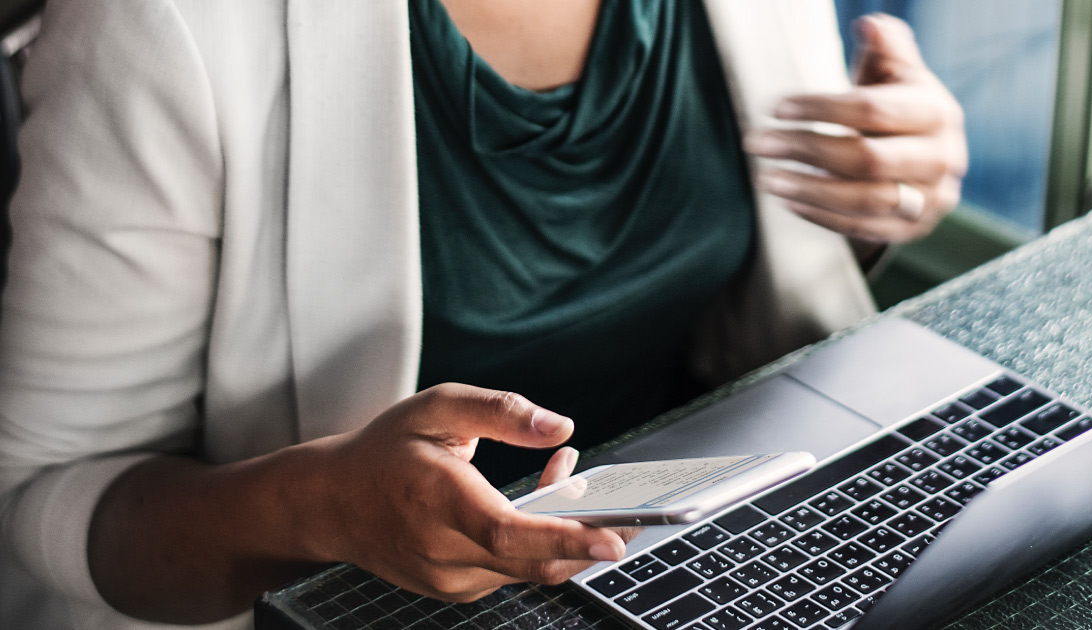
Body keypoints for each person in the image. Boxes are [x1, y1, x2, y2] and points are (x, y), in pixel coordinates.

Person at [0, 0, 966, 628]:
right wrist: (318, 510)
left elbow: (733, 267)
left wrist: (877, 198)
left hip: (713, 563)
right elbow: (41, 496)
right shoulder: (166, 22)